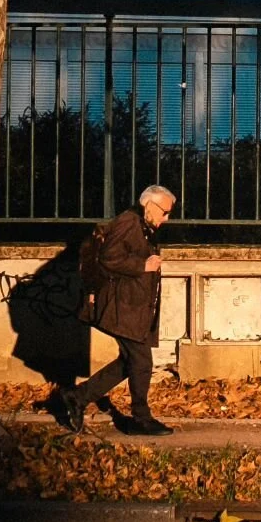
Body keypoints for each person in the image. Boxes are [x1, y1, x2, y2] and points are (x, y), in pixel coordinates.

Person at [52, 185, 177, 436]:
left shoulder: (142, 226)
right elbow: (109, 257)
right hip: (122, 307)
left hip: (131, 307)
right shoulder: (129, 223)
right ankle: (141, 418)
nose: (167, 218)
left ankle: (77, 396)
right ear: (149, 206)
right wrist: (143, 265)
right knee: (141, 362)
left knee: (129, 362)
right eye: (164, 212)